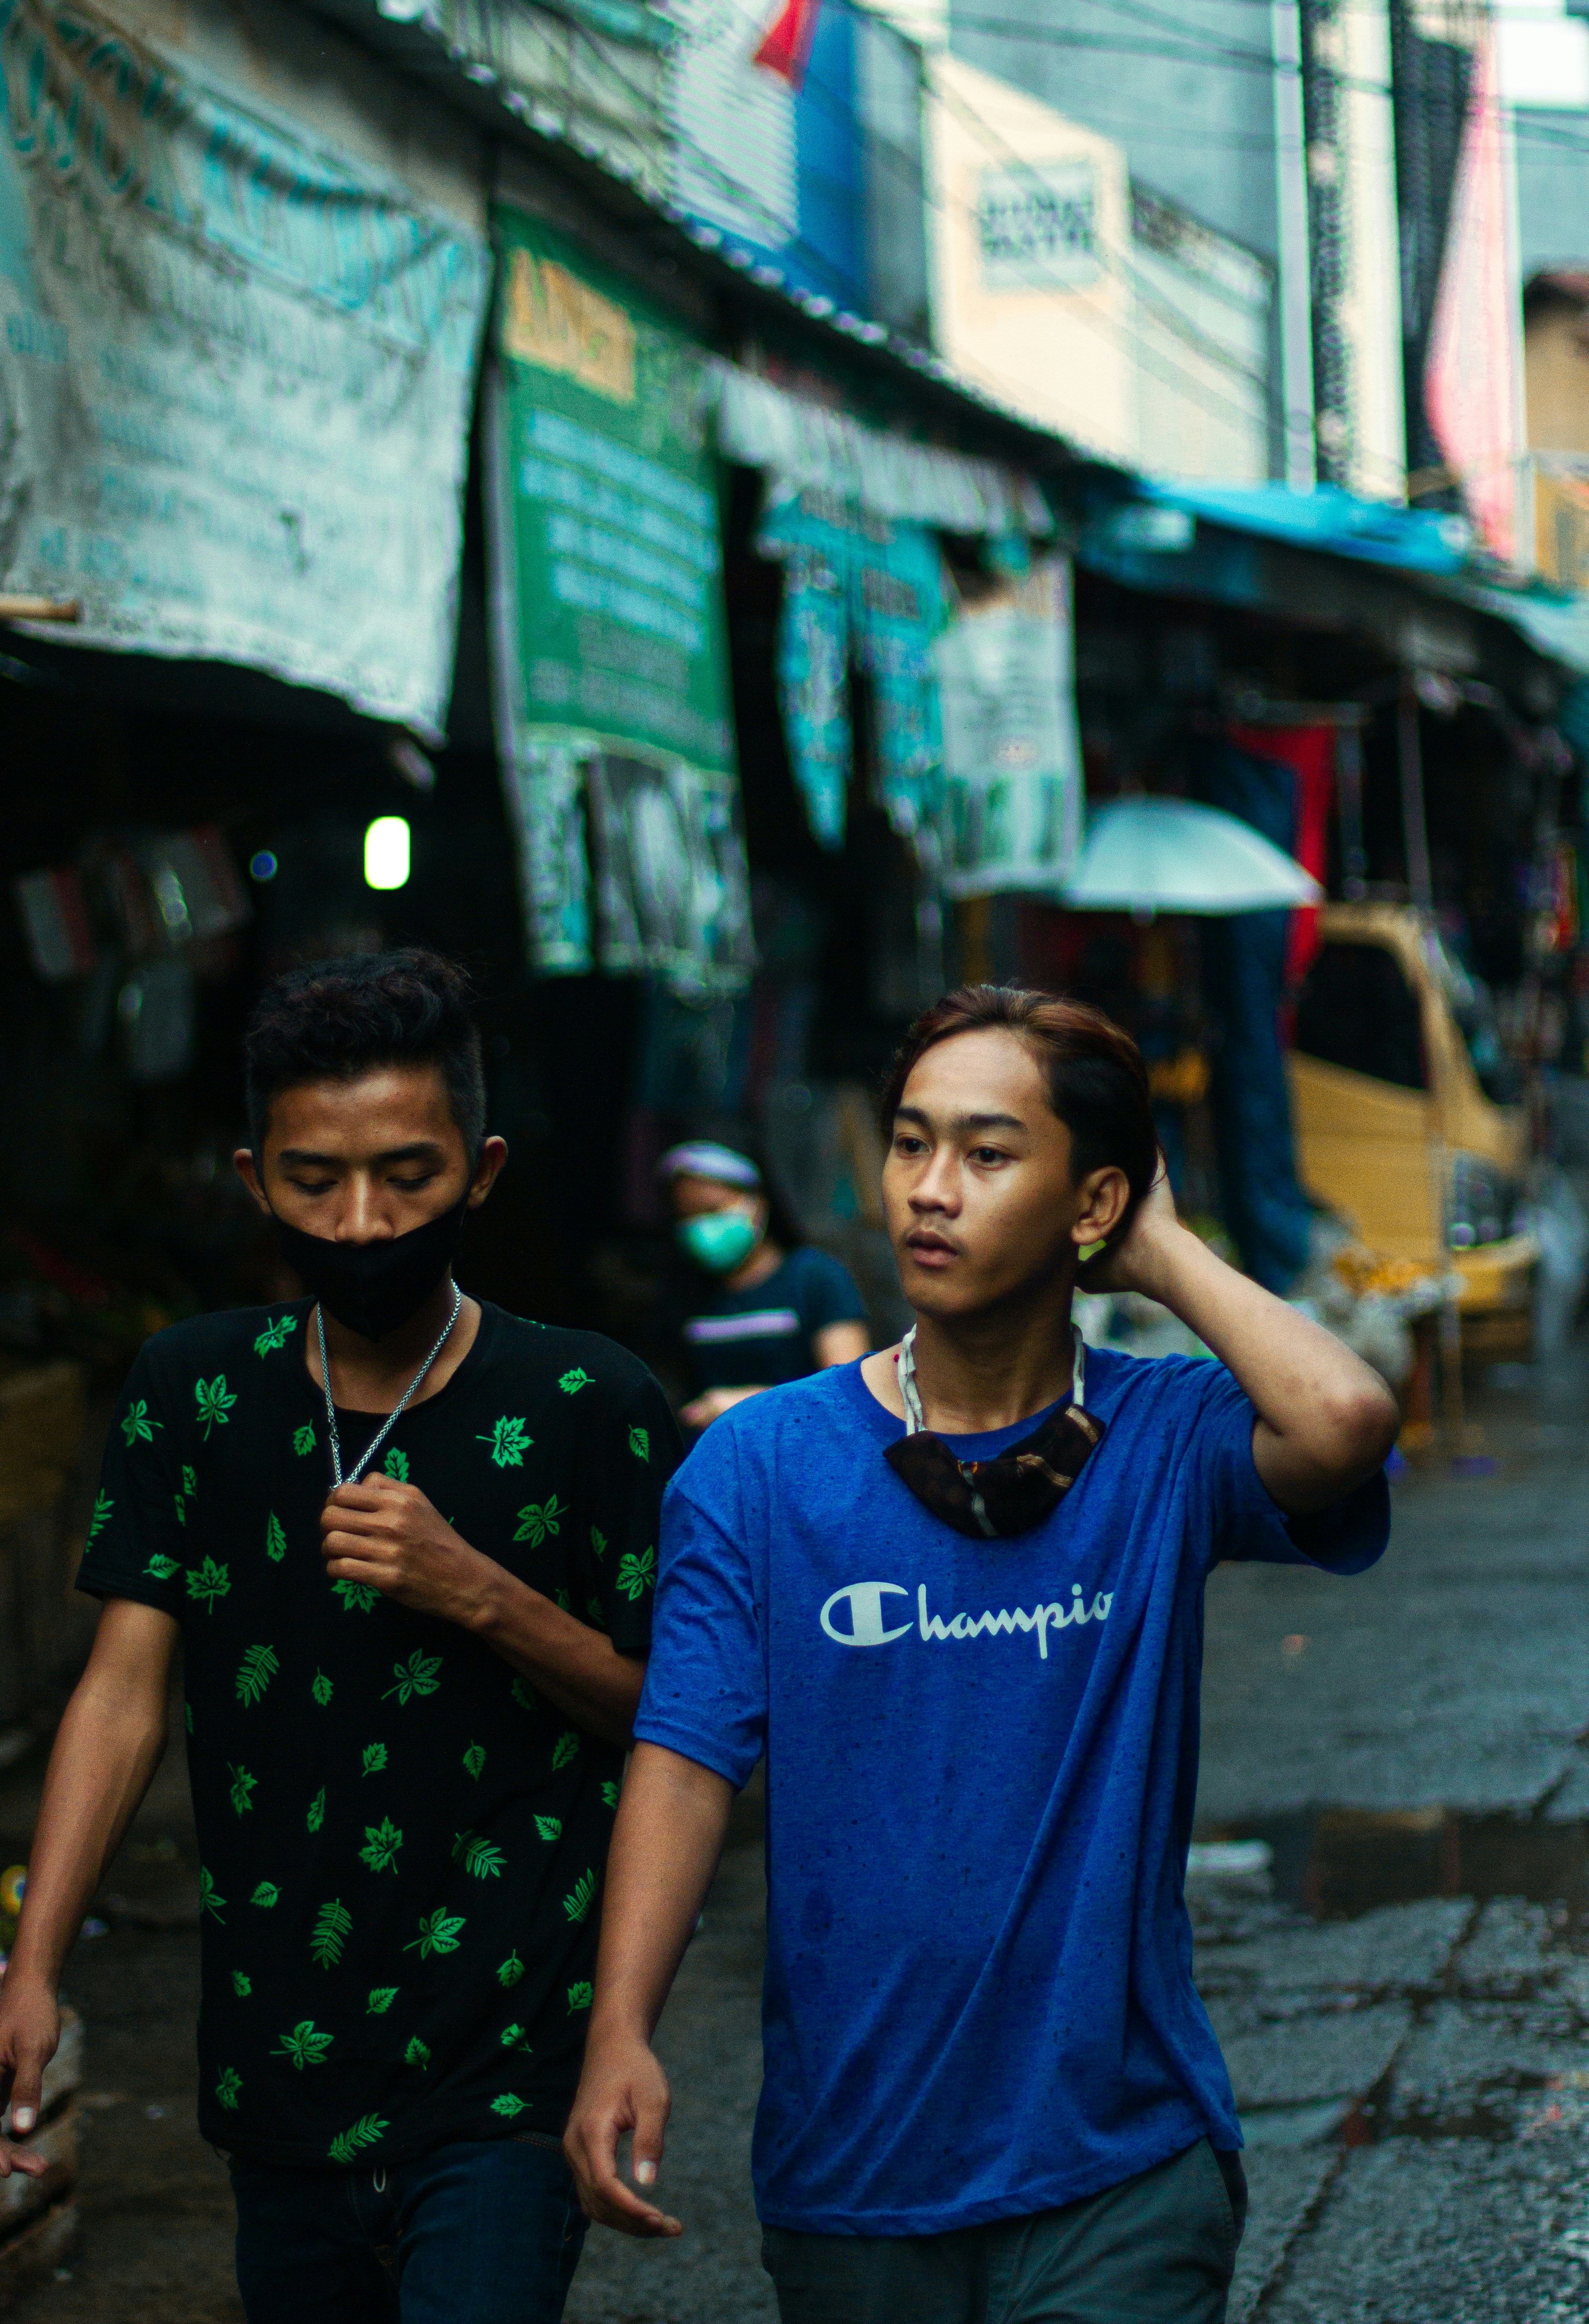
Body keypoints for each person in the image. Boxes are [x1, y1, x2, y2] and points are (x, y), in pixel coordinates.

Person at [564, 984, 1400, 2324]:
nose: (929, 1189)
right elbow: (683, 1756)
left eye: (987, 1153)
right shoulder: (758, 1463)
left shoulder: (1164, 1436)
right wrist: (621, 2026)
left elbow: (1347, 1418)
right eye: (911, 1142)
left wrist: (1159, 1252)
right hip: (854, 2175)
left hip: (1120, 2167)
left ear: (1092, 1199)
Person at [0, 949, 680, 2324]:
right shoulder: (191, 1391)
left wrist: (478, 1591)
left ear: (480, 1172)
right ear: (255, 1180)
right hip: (279, 2061)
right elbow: (120, 1697)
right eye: (315, 1180)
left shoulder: (587, 1402)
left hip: (506, 2057)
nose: (362, 1222)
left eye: (407, 1176)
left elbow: (676, 1725)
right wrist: (36, 1968)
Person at [659, 1139, 869, 1432]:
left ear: (757, 1205)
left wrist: (748, 1406)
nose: (702, 1227)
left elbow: (848, 1396)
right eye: (688, 1216)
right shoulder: (685, 1292)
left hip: (802, 1447)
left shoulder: (815, 1278)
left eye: (713, 1210)